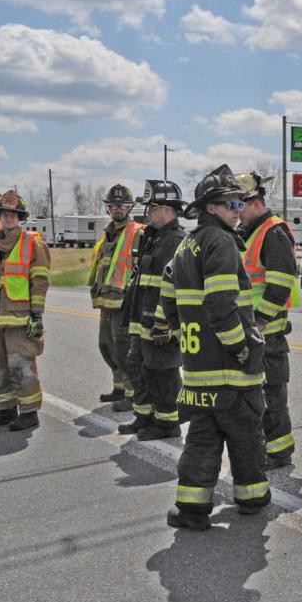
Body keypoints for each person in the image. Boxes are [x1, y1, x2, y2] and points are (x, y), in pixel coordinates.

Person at [159, 164, 269, 530]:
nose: (239, 211)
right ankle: (252, 498)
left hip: (197, 369)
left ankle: (191, 509)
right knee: (245, 436)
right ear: (210, 207)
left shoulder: (186, 245)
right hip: (229, 370)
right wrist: (240, 347)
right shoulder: (220, 242)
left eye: (240, 204)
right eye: (231, 205)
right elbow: (222, 307)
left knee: (202, 441)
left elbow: (167, 299)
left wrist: (183, 334)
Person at [236, 171, 300, 469]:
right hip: (252, 331)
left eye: (239, 206)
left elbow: (281, 283)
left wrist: (260, 321)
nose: (236, 213)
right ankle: (266, 447)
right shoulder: (249, 233)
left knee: (272, 396)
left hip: (268, 333)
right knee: (256, 395)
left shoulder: (273, 232)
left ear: (256, 203)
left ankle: (278, 452)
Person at [0, 191, 50, 431]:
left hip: (20, 317)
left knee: (20, 365)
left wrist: (36, 315)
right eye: (5, 214)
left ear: (20, 218)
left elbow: (40, 281)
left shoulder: (32, 243)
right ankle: (6, 409)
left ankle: (29, 413)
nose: (9, 218)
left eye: (13, 215)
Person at [119, 180, 187, 440]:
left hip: (160, 323)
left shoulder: (176, 241)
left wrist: (164, 323)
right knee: (140, 367)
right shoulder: (155, 237)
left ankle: (168, 425)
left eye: (152, 207)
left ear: (167, 209)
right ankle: (144, 417)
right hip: (143, 319)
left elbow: (172, 288)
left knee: (163, 374)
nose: (147, 212)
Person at [87, 185, 145, 411]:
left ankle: (133, 395)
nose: (117, 209)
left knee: (124, 349)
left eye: (121, 205)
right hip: (106, 302)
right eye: (113, 206)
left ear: (129, 208)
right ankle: (119, 387)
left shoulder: (138, 232)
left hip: (125, 303)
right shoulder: (106, 234)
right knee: (106, 346)